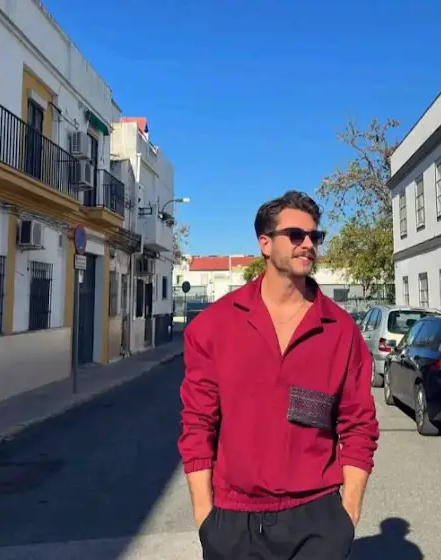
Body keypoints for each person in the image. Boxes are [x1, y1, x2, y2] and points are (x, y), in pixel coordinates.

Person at [178, 190, 379, 560]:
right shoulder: (214, 326)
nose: (308, 244)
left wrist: (346, 515)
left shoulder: (340, 329)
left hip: (317, 519)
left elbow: (359, 424)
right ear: (265, 244)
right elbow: (198, 424)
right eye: (296, 235)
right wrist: (205, 516)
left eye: (315, 236)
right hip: (234, 522)